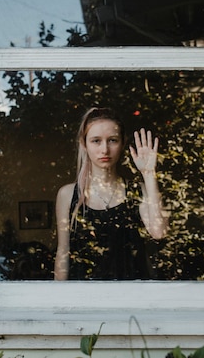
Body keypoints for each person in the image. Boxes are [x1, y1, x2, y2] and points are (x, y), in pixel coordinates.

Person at [54, 107, 169, 280]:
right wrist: (58, 300)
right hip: (84, 300)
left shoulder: (138, 191)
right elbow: (63, 252)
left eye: (112, 140)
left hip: (132, 297)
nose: (105, 150)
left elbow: (159, 232)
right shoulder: (68, 194)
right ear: (84, 144)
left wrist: (148, 173)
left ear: (123, 143)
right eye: (96, 141)